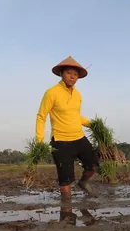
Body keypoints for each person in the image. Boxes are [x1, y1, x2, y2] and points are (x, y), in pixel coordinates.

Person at [36, 56, 99, 198]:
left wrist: (94, 125)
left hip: (79, 138)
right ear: (61, 73)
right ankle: (66, 214)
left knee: (93, 166)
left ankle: (83, 183)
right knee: (65, 181)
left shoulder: (77, 95)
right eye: (69, 73)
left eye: (75, 74)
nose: (72, 77)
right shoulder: (51, 92)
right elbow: (41, 116)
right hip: (61, 141)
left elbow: (76, 115)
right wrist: (39, 140)